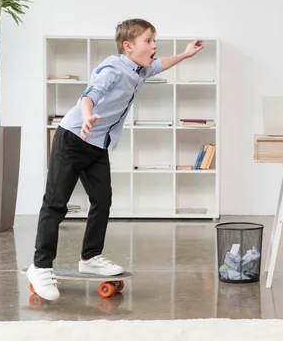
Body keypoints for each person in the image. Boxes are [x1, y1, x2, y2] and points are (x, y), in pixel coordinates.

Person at [26, 18, 204, 300]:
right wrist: (87, 117)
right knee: (56, 204)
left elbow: (161, 64)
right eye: (148, 40)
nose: (154, 45)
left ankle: (90, 257)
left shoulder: (139, 69)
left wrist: (185, 54)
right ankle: (40, 265)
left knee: (102, 200)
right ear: (128, 46)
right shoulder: (113, 68)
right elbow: (89, 96)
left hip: (97, 144)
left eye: (154, 40)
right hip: (73, 138)